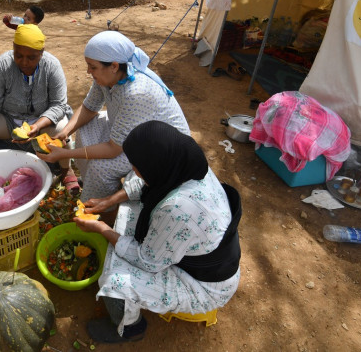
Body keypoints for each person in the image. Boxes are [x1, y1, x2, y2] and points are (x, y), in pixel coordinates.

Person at [74, 121, 242, 343]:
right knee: (133, 191)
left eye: (138, 165)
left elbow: (147, 261)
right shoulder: (184, 164)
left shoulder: (178, 209)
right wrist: (108, 201)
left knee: (114, 279)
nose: (133, 169)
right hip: (195, 250)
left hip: (204, 284)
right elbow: (145, 184)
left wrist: (102, 228)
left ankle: (131, 328)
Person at [36, 30, 190, 204]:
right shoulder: (108, 76)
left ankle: (103, 211)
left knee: (101, 168)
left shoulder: (135, 93)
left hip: (159, 151)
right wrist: (65, 132)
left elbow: (113, 149)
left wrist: (67, 153)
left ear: (114, 66)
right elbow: (89, 107)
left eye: (92, 67)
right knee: (85, 128)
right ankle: (95, 187)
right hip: (131, 132)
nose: (88, 71)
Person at [0, 24, 78, 191]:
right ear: (13, 48)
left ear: (42, 53)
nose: (24, 62)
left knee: (62, 127)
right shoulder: (3, 65)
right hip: (8, 119)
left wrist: (36, 126)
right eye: (19, 55)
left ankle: (65, 169)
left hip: (41, 121)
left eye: (31, 57)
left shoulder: (52, 67)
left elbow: (58, 105)